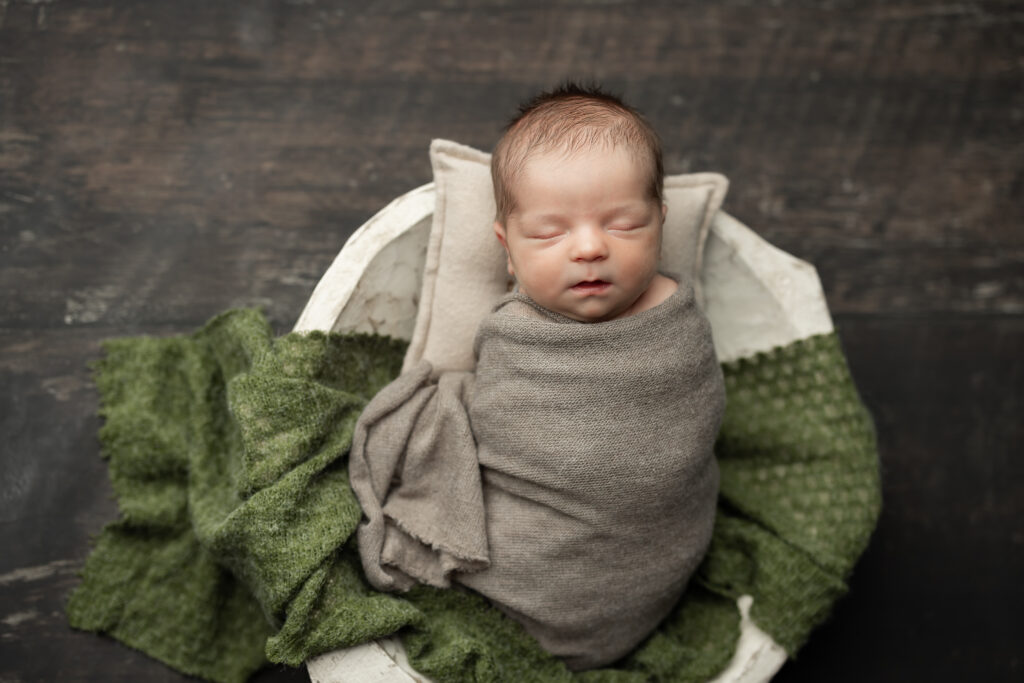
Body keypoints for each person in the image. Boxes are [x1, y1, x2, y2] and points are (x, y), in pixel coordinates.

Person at [349, 83, 726, 670]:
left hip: (647, 566)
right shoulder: (515, 335)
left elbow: (684, 441)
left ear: (660, 222)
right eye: (550, 233)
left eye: (624, 224)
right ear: (508, 249)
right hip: (532, 564)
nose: (590, 247)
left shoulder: (678, 325)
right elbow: (501, 429)